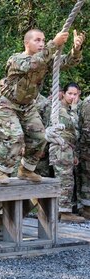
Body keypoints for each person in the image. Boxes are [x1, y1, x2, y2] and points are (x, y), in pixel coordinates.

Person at [0, 28, 85, 184]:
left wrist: (75, 50)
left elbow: (65, 62)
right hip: (7, 104)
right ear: (26, 43)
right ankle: (1, 170)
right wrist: (54, 43)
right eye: (37, 40)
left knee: (40, 137)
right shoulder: (17, 59)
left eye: (43, 40)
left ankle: (26, 170)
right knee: (15, 136)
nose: (42, 43)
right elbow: (34, 63)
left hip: (27, 106)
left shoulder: (45, 59)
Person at [49, 83, 85, 222]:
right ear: (63, 93)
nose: (72, 97)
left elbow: (73, 135)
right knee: (65, 181)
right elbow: (74, 127)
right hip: (61, 150)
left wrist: (74, 154)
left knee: (67, 179)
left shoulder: (68, 109)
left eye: (75, 94)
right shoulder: (60, 109)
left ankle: (62, 210)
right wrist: (75, 109)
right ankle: (64, 212)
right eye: (70, 93)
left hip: (68, 149)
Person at [77, 95, 90, 220]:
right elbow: (87, 129)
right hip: (87, 148)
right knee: (87, 178)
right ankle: (87, 209)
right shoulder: (88, 103)